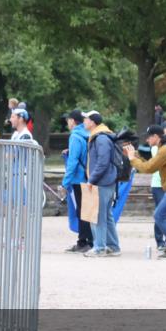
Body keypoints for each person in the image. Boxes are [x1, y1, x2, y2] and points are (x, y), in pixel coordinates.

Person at [124, 125, 166, 258]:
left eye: (148, 137)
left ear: (155, 136)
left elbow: (148, 168)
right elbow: (152, 165)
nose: (147, 140)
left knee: (159, 215)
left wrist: (132, 159)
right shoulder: (165, 147)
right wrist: (136, 156)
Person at [82, 111, 121, 258]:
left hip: (101, 182)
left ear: (93, 122)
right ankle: (113, 246)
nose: (84, 121)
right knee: (107, 215)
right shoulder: (102, 136)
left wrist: (91, 180)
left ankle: (99, 247)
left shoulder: (100, 138)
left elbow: (102, 162)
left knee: (96, 215)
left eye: (86, 119)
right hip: (107, 181)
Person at [61, 110, 92, 254]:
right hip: (88, 177)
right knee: (87, 211)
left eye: (68, 120)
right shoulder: (87, 134)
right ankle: (89, 241)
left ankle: (83, 242)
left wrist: (65, 182)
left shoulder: (75, 136)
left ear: (73, 121)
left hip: (78, 179)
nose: (67, 123)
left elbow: (73, 162)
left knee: (81, 211)